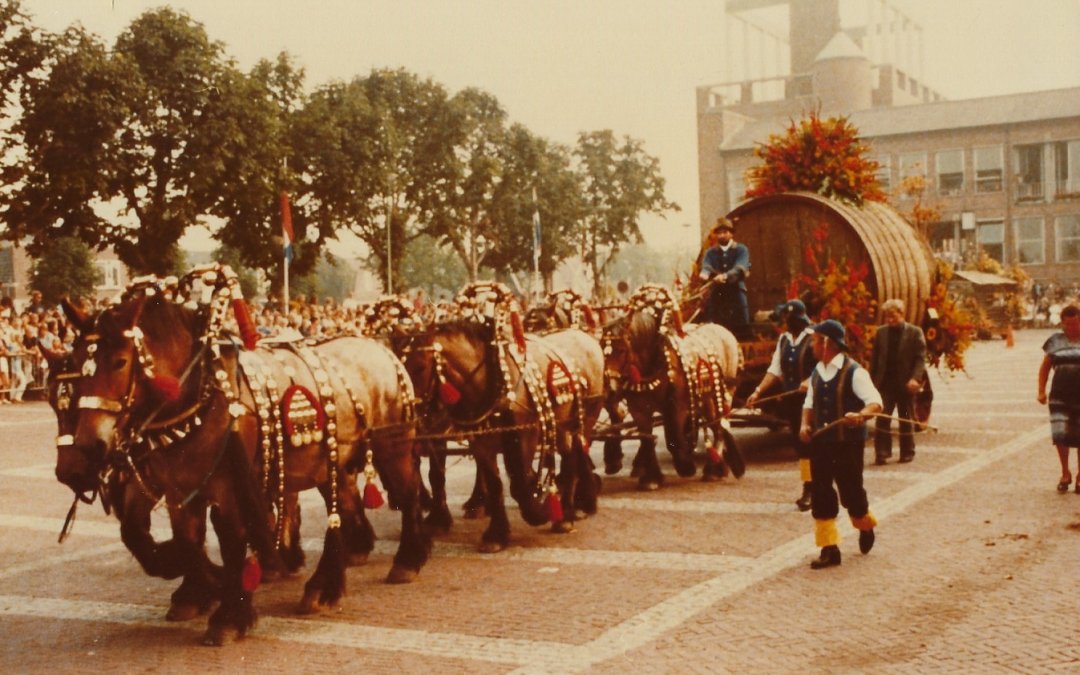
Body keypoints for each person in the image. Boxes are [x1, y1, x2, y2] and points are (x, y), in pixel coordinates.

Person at [798, 319, 882, 569]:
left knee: (852, 495)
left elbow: (876, 403)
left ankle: (865, 525)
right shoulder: (816, 371)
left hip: (848, 445)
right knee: (821, 493)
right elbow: (809, 404)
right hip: (822, 444)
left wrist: (860, 415)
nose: (812, 345)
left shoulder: (855, 372)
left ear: (827, 343)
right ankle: (829, 549)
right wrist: (805, 424)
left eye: (814, 340)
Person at [746, 299, 817, 510]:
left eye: (792, 319)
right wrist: (758, 391)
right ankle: (809, 486)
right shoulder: (784, 340)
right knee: (801, 446)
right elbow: (775, 370)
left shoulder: (815, 338)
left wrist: (810, 380)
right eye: (787, 319)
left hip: (814, 401)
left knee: (813, 443)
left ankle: (816, 486)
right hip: (793, 400)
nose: (789, 323)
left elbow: (828, 365)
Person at [869, 299, 927, 465]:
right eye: (887, 317)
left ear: (902, 314)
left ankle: (907, 452)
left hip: (905, 383)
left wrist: (915, 378)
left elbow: (920, 358)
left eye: (893, 317)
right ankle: (882, 452)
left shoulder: (915, 332)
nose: (890, 320)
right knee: (882, 418)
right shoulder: (881, 333)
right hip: (885, 383)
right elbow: (875, 359)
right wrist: (872, 382)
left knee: (906, 418)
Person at [1037, 304, 1080, 493]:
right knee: (1060, 435)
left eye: (1076, 324)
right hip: (1059, 395)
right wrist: (1041, 390)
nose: (1072, 328)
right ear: (1062, 323)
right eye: (1068, 324)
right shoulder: (1054, 341)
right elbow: (1045, 367)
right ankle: (1065, 472)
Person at [698, 216, 751, 340]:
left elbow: (740, 267)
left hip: (736, 291)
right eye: (719, 233)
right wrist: (705, 273)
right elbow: (706, 265)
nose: (722, 236)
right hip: (717, 293)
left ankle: (744, 339)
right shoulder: (710, 252)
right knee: (713, 323)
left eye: (725, 232)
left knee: (742, 323)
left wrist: (726, 276)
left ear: (731, 234)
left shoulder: (741, 250)